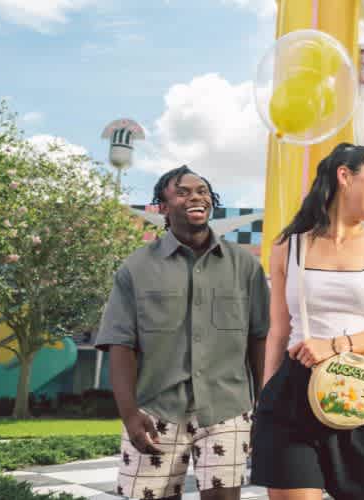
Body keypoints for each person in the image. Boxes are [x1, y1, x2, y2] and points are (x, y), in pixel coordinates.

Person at [249, 143, 364, 500]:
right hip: (293, 393)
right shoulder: (287, 247)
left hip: (362, 389)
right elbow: (278, 331)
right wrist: (266, 399)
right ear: (344, 176)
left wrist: (337, 345)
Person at [96, 165, 270, 500]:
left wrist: (264, 402)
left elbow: (260, 338)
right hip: (155, 410)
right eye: (183, 191)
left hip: (227, 408)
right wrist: (130, 414)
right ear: (162, 207)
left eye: (202, 190)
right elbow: (120, 344)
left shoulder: (245, 266)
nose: (196, 196)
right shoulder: (136, 268)